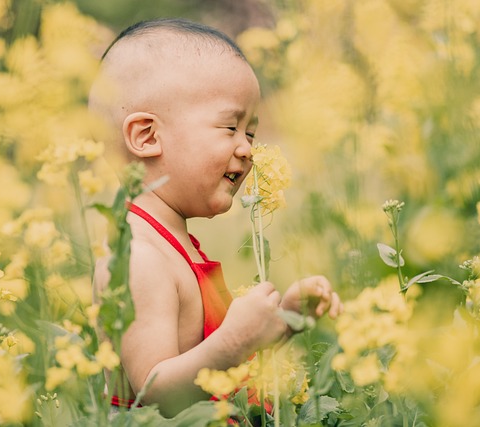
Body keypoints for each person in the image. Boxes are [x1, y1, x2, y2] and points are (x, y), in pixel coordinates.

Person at [89, 18, 342, 418]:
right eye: (230, 127)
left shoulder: (176, 244)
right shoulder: (138, 257)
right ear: (147, 136)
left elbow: (214, 370)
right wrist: (234, 341)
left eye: (252, 133)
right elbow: (153, 392)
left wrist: (284, 320)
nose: (247, 149)